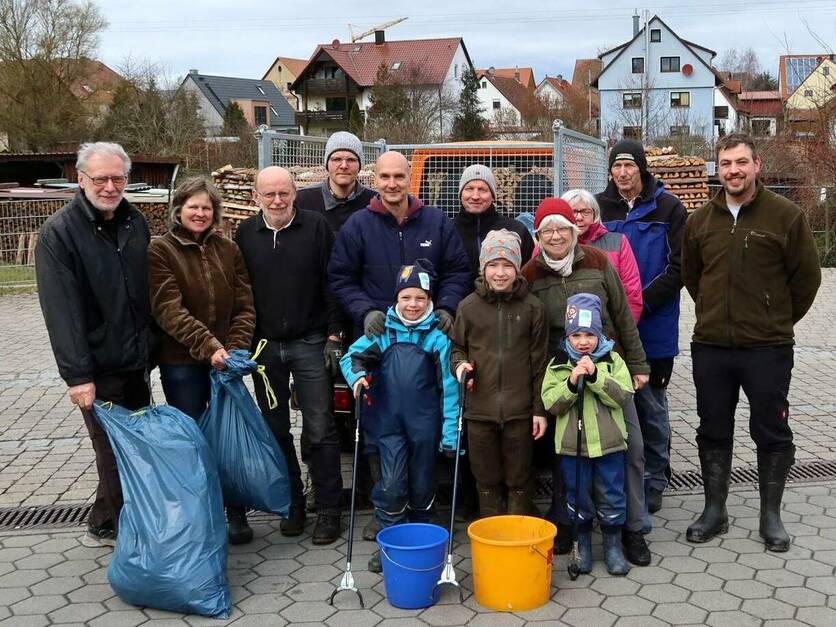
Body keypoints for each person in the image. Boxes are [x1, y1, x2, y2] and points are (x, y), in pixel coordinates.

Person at [682, 133, 821, 551]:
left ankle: (770, 515)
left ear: (757, 165)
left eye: (741, 162)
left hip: (768, 348)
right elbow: (693, 277)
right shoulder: (700, 220)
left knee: (771, 429)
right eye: (725, 164)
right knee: (712, 428)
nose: (733, 171)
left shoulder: (786, 217)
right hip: (711, 346)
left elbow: (807, 280)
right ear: (717, 168)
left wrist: (772, 318)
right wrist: (713, 311)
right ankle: (714, 509)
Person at [328, 150, 470, 538]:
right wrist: (364, 311)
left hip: (426, 334)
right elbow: (340, 276)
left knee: (424, 429)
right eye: (385, 177)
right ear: (376, 179)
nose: (392, 184)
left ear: (410, 178)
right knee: (382, 433)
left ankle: (424, 514)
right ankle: (387, 513)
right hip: (381, 334)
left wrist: (444, 305)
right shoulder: (359, 225)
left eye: (399, 176)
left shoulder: (435, 221)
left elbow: (458, 269)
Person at [521, 197, 652, 566]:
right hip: (564, 374)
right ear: (538, 235)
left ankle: (633, 530)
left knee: (629, 448)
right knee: (568, 451)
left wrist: (638, 363)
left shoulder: (597, 262)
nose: (557, 235)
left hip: (608, 369)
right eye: (549, 230)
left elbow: (623, 315)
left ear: (575, 230)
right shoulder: (530, 275)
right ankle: (566, 523)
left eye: (563, 228)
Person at [35, 142, 153, 548]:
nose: (109, 186)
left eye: (118, 178)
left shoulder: (134, 221)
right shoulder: (60, 233)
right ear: (80, 179)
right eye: (100, 178)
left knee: (133, 445)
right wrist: (78, 375)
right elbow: (61, 310)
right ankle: (129, 539)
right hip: (98, 367)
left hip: (136, 361)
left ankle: (102, 519)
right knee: (115, 451)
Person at [234, 166, 344, 545]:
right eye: (269, 195)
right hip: (264, 349)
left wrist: (333, 334)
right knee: (275, 428)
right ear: (256, 197)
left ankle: (329, 510)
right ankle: (293, 503)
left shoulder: (316, 227)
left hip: (311, 342)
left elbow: (334, 281)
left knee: (320, 427)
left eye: (284, 193)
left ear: (295, 193)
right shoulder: (246, 234)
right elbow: (240, 291)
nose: (278, 201)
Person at [147, 176, 256, 544]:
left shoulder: (228, 250)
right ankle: (202, 515)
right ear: (179, 210)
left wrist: (236, 348)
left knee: (228, 439)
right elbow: (168, 310)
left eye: (206, 208)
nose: (200, 213)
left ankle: (235, 510)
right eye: (193, 206)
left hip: (227, 361)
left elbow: (245, 304)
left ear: (215, 213)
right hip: (183, 363)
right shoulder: (161, 251)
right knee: (194, 440)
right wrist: (209, 347)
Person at [340, 260, 458, 573]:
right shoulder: (381, 331)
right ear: (396, 299)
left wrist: (450, 435)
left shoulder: (437, 337)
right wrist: (357, 378)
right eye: (406, 297)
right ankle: (390, 542)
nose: (413, 304)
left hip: (425, 427)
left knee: (422, 485)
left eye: (420, 298)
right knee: (391, 486)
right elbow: (350, 358)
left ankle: (423, 540)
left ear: (430, 300)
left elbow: (449, 388)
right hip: (388, 425)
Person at [596, 139, 687, 517]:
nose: (622, 173)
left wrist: (639, 303)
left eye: (629, 166)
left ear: (642, 169)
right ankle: (618, 478)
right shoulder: (599, 208)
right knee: (609, 401)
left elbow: (680, 267)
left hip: (653, 327)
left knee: (651, 407)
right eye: (616, 166)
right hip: (606, 330)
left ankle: (655, 478)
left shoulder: (668, 208)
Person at [451, 229, 548, 517]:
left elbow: (540, 363)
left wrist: (539, 410)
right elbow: (456, 348)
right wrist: (460, 366)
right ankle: (491, 533)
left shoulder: (533, 308)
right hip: (479, 412)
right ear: (483, 268)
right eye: (493, 265)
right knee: (486, 479)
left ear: (518, 268)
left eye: (508, 265)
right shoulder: (468, 307)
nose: (500, 273)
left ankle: (517, 531)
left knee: (519, 478)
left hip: (520, 413)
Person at [542, 293, 634, 576]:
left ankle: (612, 545)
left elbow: (624, 397)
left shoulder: (612, 360)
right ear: (568, 337)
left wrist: (595, 377)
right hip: (573, 447)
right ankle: (581, 545)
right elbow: (550, 403)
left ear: (599, 333)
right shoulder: (558, 364)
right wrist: (571, 383)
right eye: (577, 335)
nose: (583, 342)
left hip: (609, 446)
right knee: (577, 495)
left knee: (612, 494)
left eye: (590, 334)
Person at [562, 189, 642, 322]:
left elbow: (632, 292)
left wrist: (624, 331)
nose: (579, 217)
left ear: (595, 214)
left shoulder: (618, 242)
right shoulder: (550, 245)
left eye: (586, 212)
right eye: (573, 211)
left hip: (608, 330)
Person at [453, 164, 535, 285]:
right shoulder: (448, 231)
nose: (475, 196)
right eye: (469, 189)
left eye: (482, 190)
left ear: (493, 196)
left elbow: (528, 275)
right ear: (461, 194)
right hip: (459, 303)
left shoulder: (516, 230)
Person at [294, 131, 376, 234]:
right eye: (337, 159)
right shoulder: (303, 200)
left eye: (351, 160)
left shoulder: (375, 202)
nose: (344, 166)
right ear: (327, 164)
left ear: (360, 165)